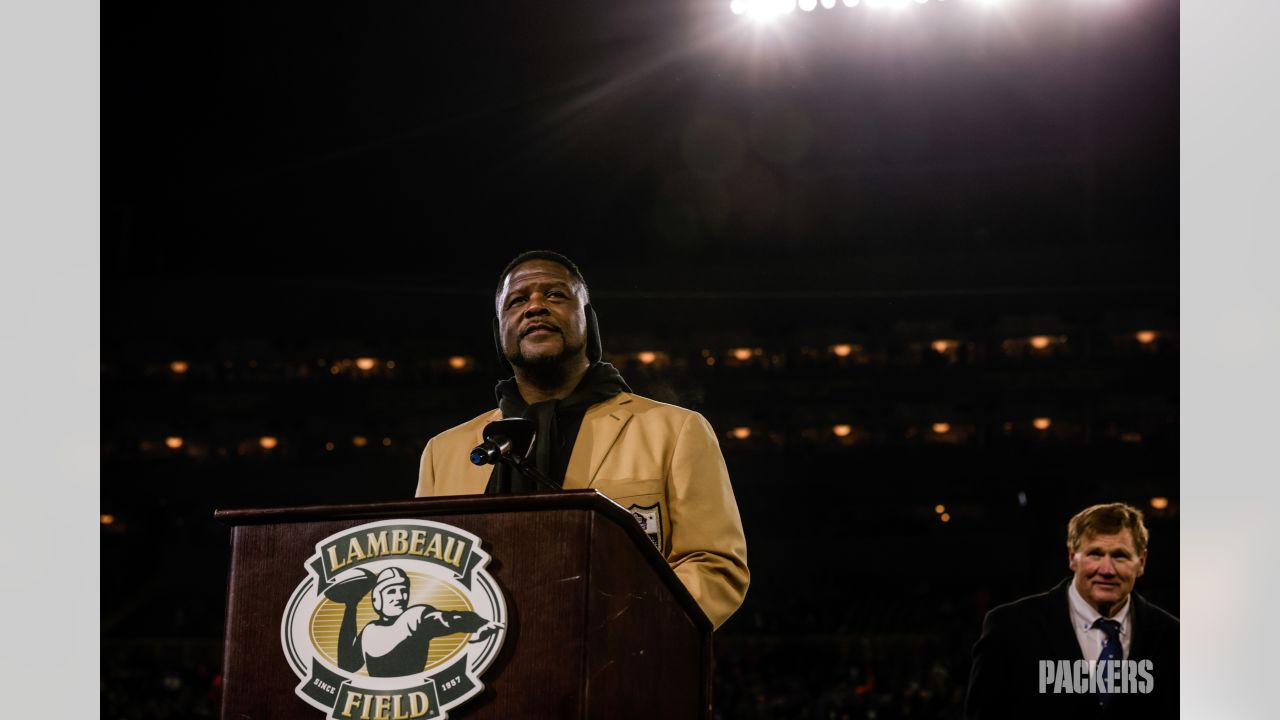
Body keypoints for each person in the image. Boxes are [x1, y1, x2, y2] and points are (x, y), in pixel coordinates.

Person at [415, 250, 749, 630]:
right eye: (517, 300)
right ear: (499, 332)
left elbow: (715, 567)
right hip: (485, 675)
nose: (535, 307)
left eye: (555, 295)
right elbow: (428, 581)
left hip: (617, 667)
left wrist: (615, 630)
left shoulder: (675, 431)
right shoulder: (443, 453)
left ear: (587, 322)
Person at [964, 503, 1179, 719]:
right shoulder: (1009, 627)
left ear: (1141, 562)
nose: (1106, 570)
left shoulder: (1173, 637)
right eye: (1095, 554)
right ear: (1072, 557)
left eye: (1120, 556)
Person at [329, 567, 502, 677]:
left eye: (403, 590)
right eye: (391, 591)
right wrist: (351, 606)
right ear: (377, 599)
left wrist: (478, 623)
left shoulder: (415, 617)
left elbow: (447, 619)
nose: (400, 597)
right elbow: (346, 666)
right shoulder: (369, 631)